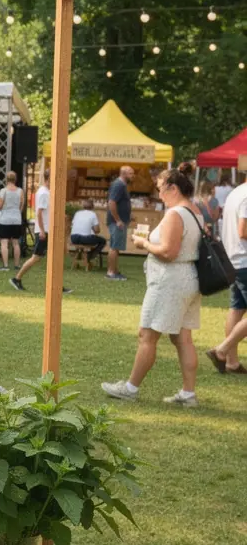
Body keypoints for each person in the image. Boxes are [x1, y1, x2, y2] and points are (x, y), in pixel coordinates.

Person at [102, 169, 202, 407]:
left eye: (160, 189)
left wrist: (143, 243)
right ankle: (188, 393)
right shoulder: (196, 212)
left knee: (147, 335)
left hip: (170, 282)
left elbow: (168, 251)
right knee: (183, 338)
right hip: (189, 279)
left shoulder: (175, 214)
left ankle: (130, 388)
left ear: (173, 188)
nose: (159, 194)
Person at [206, 176, 247, 375]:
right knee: (236, 309)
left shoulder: (235, 192)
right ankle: (222, 351)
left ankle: (232, 362)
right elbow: (243, 230)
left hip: (233, 260)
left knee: (236, 309)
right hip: (245, 260)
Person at [11, 169, 50, 291]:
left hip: (46, 229)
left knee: (53, 257)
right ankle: (17, 279)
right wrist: (42, 230)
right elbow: (38, 212)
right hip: (44, 230)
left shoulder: (45, 192)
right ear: (49, 178)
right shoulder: (44, 193)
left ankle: (56, 284)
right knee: (36, 257)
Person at [106, 165, 135, 281]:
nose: (133, 176)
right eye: (131, 174)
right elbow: (111, 203)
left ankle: (114, 270)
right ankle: (111, 272)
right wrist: (118, 220)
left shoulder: (122, 185)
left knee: (116, 247)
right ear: (124, 174)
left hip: (120, 220)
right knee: (114, 246)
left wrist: (128, 215)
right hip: (116, 222)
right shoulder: (118, 185)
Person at [0, 170, 25, 271]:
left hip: (5, 219)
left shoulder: (3, 191)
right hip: (16, 219)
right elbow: (22, 205)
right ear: (15, 179)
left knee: (4, 243)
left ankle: (6, 265)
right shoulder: (20, 191)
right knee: (16, 243)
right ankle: (17, 265)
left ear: (6, 179)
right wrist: (17, 213)